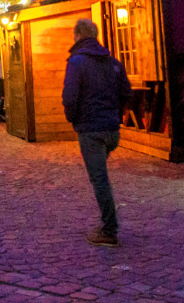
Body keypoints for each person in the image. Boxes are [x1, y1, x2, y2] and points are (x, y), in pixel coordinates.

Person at [62, 18, 131, 248]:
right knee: (100, 175)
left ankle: (109, 230)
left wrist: (74, 119)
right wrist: (115, 114)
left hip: (91, 129)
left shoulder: (77, 62)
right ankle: (108, 225)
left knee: (99, 179)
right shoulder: (112, 62)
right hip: (111, 128)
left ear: (78, 36)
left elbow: (70, 97)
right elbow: (126, 93)